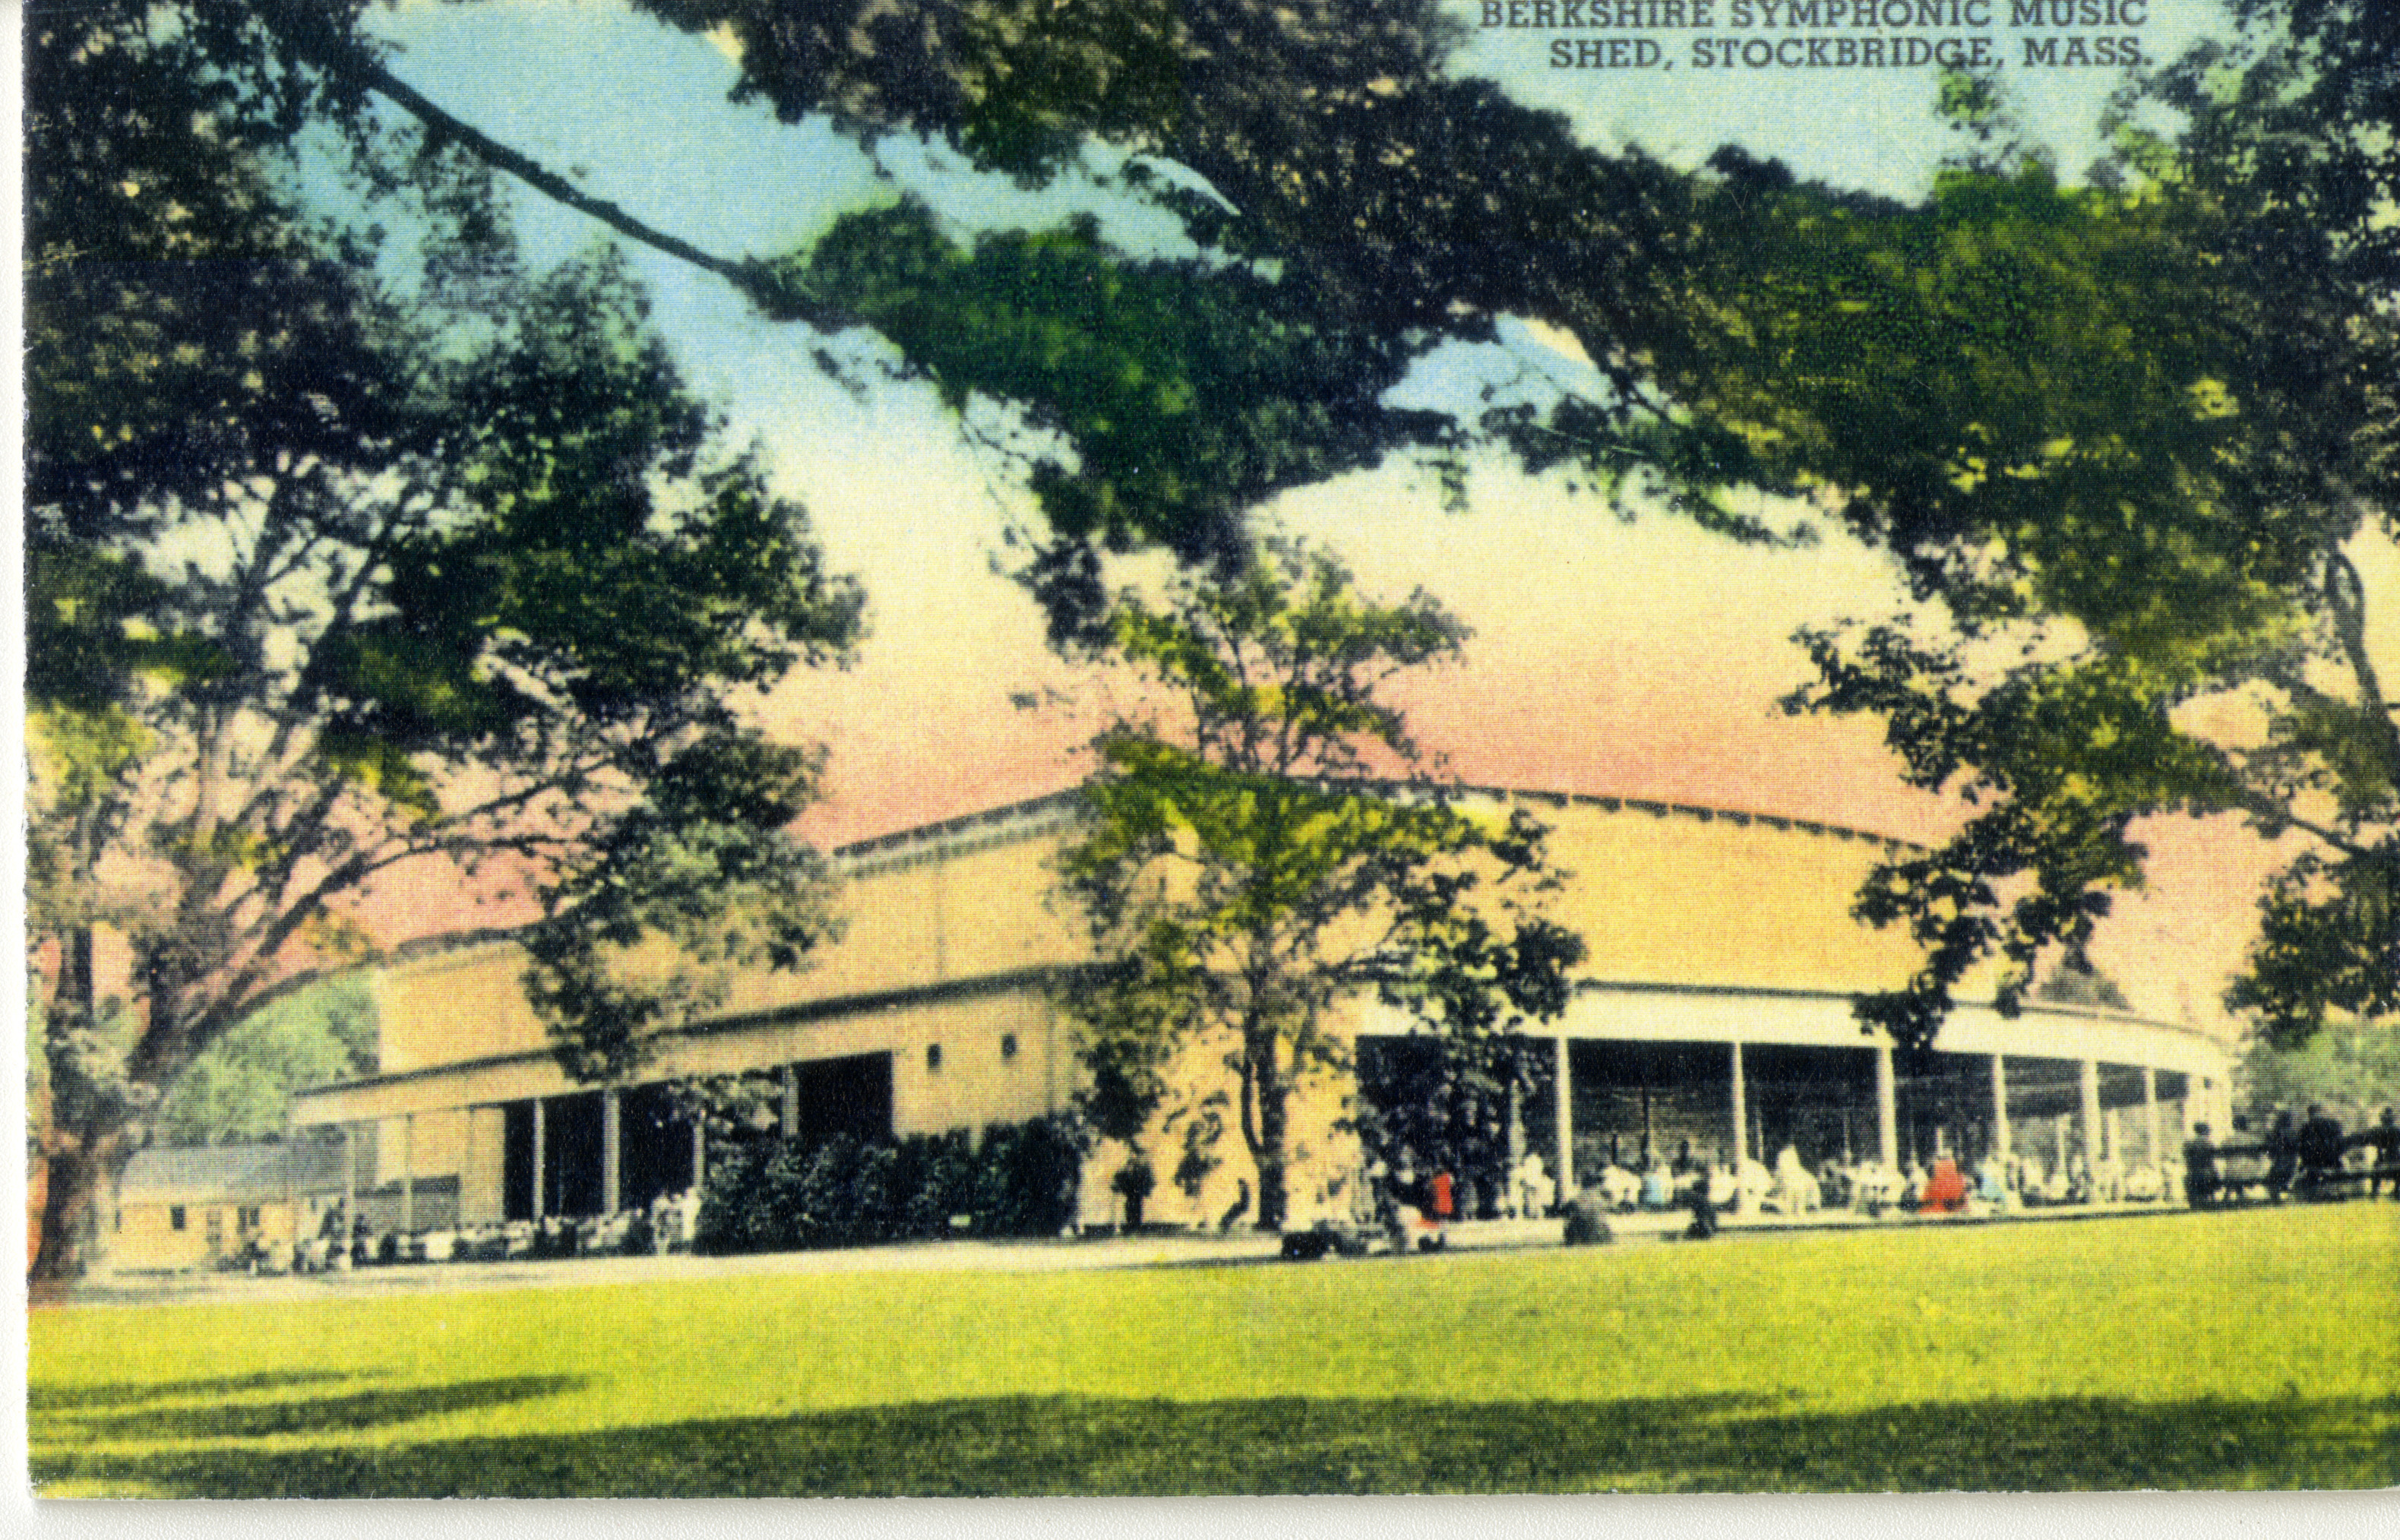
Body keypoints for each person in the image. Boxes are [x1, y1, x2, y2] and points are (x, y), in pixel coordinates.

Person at [2295, 1104, 2346, 1197]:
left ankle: (2321, 1194)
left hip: (2315, 1163)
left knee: (2310, 1177)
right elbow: (2341, 1145)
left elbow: (2301, 1149)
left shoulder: (2306, 1128)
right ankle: (2331, 1194)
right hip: (2332, 1162)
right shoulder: (2333, 1125)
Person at [2359, 1108, 2400, 1199]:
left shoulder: (2376, 1130)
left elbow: (2365, 1140)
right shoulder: (2397, 1130)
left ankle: (2374, 1191)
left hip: (2381, 1158)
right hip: (2394, 1157)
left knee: (2376, 1169)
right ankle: (2397, 1190)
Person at [2264, 1108, 2300, 1202]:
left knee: (2271, 1180)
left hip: (2281, 1165)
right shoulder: (2293, 1133)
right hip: (2292, 1165)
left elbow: (2271, 1153)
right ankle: (2281, 1197)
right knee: (2278, 1179)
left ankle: (2277, 1199)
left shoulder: (2277, 1133)